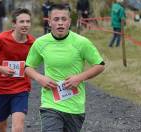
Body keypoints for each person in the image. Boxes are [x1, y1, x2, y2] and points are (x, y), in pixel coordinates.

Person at [25, 4, 105, 132]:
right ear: (49, 22)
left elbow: (100, 65)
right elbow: (28, 67)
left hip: (75, 106)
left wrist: (79, 77)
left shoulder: (81, 42)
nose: (60, 23)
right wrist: (39, 78)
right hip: (50, 104)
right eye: (56, 19)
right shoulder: (40, 43)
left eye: (64, 19)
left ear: (69, 22)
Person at [0, 8, 35, 132]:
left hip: (21, 88)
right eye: (22, 22)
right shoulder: (1, 39)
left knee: (18, 128)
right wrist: (1, 69)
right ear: (14, 24)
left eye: (28, 22)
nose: (25, 25)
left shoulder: (33, 43)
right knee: (1, 127)